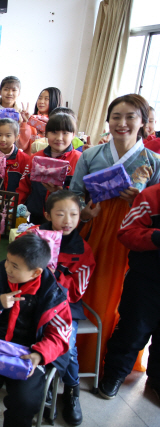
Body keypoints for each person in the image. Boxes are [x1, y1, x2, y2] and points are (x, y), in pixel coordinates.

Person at [69, 94, 160, 376]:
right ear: (107, 121)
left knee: (124, 299)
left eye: (130, 116)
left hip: (134, 236)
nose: (122, 123)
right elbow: (73, 197)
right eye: (116, 117)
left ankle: (111, 364)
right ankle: (79, 359)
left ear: (143, 122)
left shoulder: (154, 161)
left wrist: (139, 200)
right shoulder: (90, 155)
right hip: (94, 231)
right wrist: (83, 213)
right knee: (88, 291)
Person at [0, 234, 72, 427]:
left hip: (29, 353)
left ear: (36, 272)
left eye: (15, 266)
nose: (7, 268)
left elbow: (60, 334)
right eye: (7, 261)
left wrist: (39, 354)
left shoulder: (54, 294)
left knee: (25, 401)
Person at [36, 191, 95, 425]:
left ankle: (71, 391)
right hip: (35, 302)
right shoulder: (35, 237)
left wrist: (53, 277)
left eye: (74, 214)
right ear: (48, 214)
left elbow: (78, 289)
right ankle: (43, 385)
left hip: (66, 307)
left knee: (66, 346)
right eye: (60, 214)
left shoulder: (83, 249)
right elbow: (19, 268)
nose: (67, 220)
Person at [98, 182, 160, 401]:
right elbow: (126, 233)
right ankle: (114, 374)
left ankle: (156, 380)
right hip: (147, 280)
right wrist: (155, 237)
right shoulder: (151, 196)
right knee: (133, 329)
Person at [17, 113, 82, 224]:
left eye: (65, 133)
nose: (59, 138)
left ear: (73, 135)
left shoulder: (79, 159)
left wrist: (61, 191)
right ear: (46, 134)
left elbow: (81, 196)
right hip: (34, 217)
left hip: (64, 221)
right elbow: (23, 188)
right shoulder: (35, 158)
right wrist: (14, 210)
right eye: (54, 132)